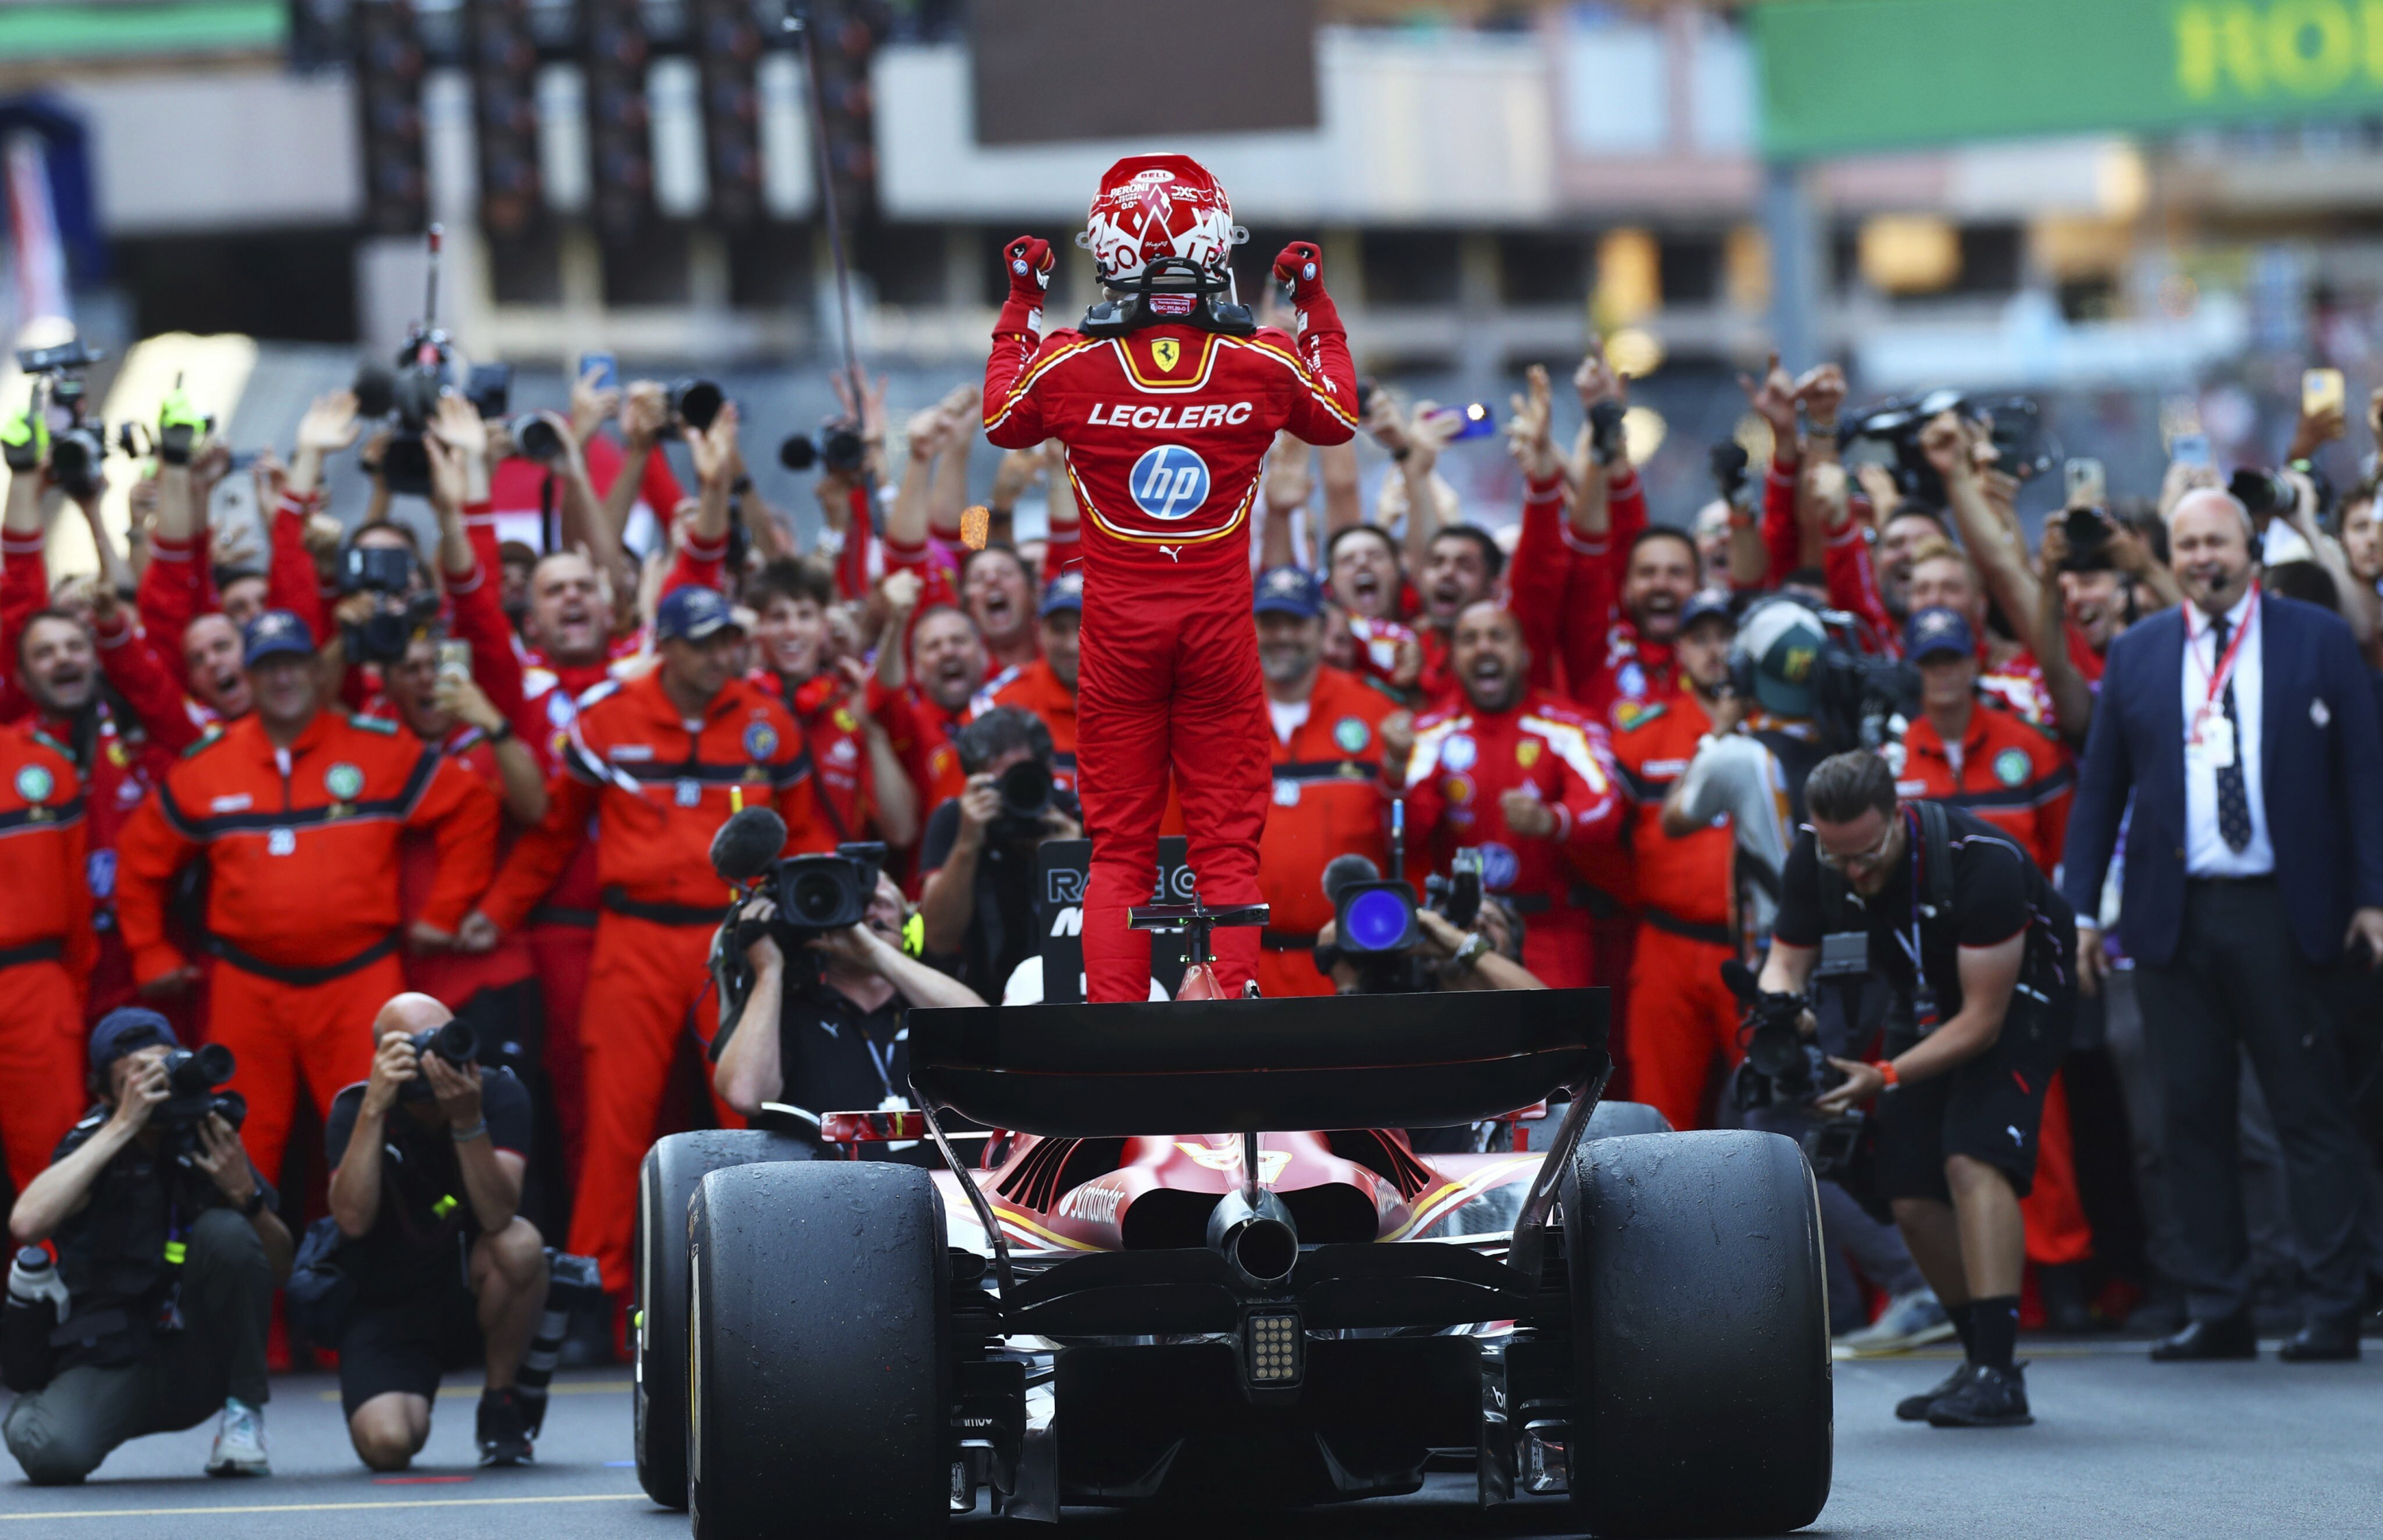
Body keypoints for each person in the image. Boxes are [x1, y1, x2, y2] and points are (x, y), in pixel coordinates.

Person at [982, 152, 1359, 1002]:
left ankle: (1120, 1038)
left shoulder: (1068, 363)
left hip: (1117, 642)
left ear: (1109, 250)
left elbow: (1001, 420)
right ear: (1217, 242)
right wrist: (1314, 308)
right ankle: (1222, 1016)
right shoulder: (1263, 361)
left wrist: (1020, 302)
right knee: (1225, 847)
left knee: (1117, 847)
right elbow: (1337, 416)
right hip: (1220, 639)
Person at [2061, 487, 2383, 1363]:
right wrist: (2084, 910)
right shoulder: (2136, 652)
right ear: (2171, 555)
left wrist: (2373, 895)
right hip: (2174, 917)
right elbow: (2101, 795)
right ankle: (2220, 1304)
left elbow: (2365, 775)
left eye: (2218, 541)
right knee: (2190, 1117)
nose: (2203, 557)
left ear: (2249, 547)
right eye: (2188, 543)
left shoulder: (2317, 638)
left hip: (2287, 909)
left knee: (2307, 1112)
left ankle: (2330, 1306)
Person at [459, 584, 824, 1311]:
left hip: (734, 938)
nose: (722, 655)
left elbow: (807, 837)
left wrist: (819, 929)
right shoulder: (607, 722)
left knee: (749, 1117)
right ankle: (599, 1292)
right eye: (705, 642)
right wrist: (495, 912)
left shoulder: (767, 721)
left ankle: (764, 1284)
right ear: (667, 644)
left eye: (729, 640)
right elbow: (555, 835)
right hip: (632, 939)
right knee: (614, 1124)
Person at [114, 610, 500, 1183]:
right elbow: (140, 860)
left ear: (319, 672)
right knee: (236, 1140)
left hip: (359, 979)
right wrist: (150, 951)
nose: (283, 679)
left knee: (377, 1136)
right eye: (268, 667)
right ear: (249, 675)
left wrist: (445, 910)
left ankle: (374, 1273)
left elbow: (472, 807)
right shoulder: (208, 766)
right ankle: (252, 1271)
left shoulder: (376, 750)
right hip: (249, 986)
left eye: (295, 663)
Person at [1771, 751, 2076, 1429]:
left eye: (1868, 854)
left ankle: (2000, 1373)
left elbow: (1981, 1021)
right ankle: (1979, 1362)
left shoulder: (1982, 860)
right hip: (1924, 996)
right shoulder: (1816, 858)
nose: (1853, 872)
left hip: (2020, 997)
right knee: (1908, 1188)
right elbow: (1785, 959)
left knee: (1971, 1155)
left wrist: (1882, 1075)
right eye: (1836, 855)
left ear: (1900, 815)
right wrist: (1778, 1013)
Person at [3, 1009, 293, 1483]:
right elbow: (27, 1222)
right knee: (54, 1454)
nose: (156, 1086)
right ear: (106, 1093)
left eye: (163, 1068)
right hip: (111, 1357)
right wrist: (122, 1125)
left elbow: (281, 1268)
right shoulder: (93, 1141)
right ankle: (42, 1405)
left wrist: (250, 1199)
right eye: (136, 1077)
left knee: (227, 1230)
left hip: (194, 1359)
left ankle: (245, 1415)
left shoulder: (206, 1133)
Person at [325, 994, 547, 1469]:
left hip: (471, 1289)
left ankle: (501, 1401)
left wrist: (468, 1122)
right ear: (384, 1056)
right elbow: (352, 1220)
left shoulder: (496, 1094)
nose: (434, 1057)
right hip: (389, 1304)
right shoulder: (355, 1110)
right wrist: (374, 1111)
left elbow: (496, 1217)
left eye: (444, 1039)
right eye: (415, 1047)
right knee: (388, 1445)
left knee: (521, 1243)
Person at [1402, 602, 1623, 988]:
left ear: (1524, 654)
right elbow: (1407, 829)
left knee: (1560, 1045)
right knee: (1467, 1050)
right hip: (1457, 929)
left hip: (1551, 931)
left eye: (1497, 636)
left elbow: (1606, 808)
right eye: (1469, 639)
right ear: (1453, 658)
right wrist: (1391, 767)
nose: (1484, 648)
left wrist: (1550, 820)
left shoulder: (1570, 725)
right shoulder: (1428, 732)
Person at [1609, 591, 1742, 1131]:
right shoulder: (1645, 734)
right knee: (1661, 1120)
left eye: (1727, 637)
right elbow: (1604, 844)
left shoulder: (1781, 727)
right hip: (1666, 943)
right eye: (1701, 639)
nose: (1716, 652)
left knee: (1777, 1109)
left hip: (1754, 949)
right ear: (1680, 649)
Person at [713, 874, 987, 1123]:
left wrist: (873, 953)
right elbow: (745, 1095)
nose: (863, 912)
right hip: (818, 1180)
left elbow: (987, 1037)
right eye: (852, 901)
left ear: (909, 927)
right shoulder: (782, 1012)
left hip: (933, 1179)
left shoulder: (932, 1007)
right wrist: (769, 971)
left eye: (880, 901)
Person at [1248, 566, 1400, 998]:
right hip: (1240, 964)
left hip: (1353, 965)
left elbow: (1416, 828)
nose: (1282, 636)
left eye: (1295, 623)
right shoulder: (1214, 715)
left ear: (1323, 627)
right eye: (1269, 623)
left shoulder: (1377, 713)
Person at [748, 556, 917, 849]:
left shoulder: (849, 703)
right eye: (778, 617)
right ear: (758, 627)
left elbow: (902, 831)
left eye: (805, 615)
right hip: (757, 887)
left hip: (837, 884)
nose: (792, 630)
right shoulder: (739, 705)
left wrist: (873, 733)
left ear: (825, 626)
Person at [917, 708, 1083, 999]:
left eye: (1024, 780)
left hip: (1071, 996)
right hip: (981, 1003)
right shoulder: (955, 820)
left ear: (1049, 768)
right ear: (974, 783)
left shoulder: (1071, 815)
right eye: (1000, 786)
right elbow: (937, 939)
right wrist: (967, 843)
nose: (1013, 796)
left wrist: (1072, 859)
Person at [0, 721, 93, 1195]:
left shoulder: (45, 766)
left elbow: (78, 902)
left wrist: (69, 993)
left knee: (52, 1167)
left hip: (33, 983)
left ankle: (49, 1271)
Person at [973, 570, 1083, 792]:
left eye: (1085, 627)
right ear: (1039, 631)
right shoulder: (999, 704)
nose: (1072, 646)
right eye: (1059, 629)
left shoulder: (1141, 699)